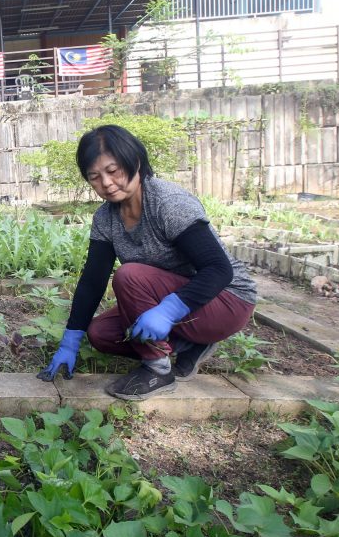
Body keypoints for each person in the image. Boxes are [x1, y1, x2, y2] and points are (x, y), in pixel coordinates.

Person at [38, 125, 257, 400]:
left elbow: (219, 270)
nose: (105, 183)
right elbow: (93, 282)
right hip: (183, 300)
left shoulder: (168, 203)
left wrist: (168, 311)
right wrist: (71, 340)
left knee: (129, 275)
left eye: (113, 170)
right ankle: (189, 343)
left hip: (226, 300)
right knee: (102, 333)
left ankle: (158, 370)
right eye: (94, 176)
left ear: (136, 162)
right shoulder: (106, 218)